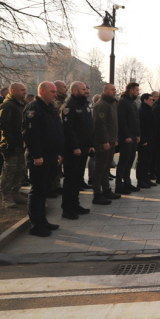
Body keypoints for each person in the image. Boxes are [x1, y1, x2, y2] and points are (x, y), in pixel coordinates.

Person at [22, 82, 63, 237]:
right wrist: (36, 155)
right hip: (40, 157)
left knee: (45, 190)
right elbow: (30, 134)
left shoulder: (50, 108)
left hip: (51, 155)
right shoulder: (33, 108)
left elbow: (56, 131)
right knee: (38, 191)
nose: (55, 94)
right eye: (52, 91)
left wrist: (59, 152)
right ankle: (36, 225)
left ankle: (42, 220)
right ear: (42, 91)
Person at [60, 82, 94, 219]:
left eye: (86, 88)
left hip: (84, 148)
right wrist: (75, 146)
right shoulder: (69, 106)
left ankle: (75, 204)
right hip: (73, 150)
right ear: (75, 91)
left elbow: (88, 126)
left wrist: (90, 144)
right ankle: (67, 208)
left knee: (78, 179)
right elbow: (68, 129)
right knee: (70, 179)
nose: (86, 91)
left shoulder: (84, 105)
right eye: (83, 89)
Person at [0, 83, 28, 208]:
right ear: (13, 91)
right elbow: (3, 124)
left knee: (20, 170)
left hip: (22, 143)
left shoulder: (23, 104)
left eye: (25, 90)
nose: (24, 92)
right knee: (9, 170)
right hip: (11, 144)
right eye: (22, 90)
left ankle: (16, 193)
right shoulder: (8, 104)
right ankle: (6, 196)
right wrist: (10, 142)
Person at [91, 84, 121, 205]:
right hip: (104, 142)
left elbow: (112, 124)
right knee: (100, 168)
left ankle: (106, 190)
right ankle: (97, 194)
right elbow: (100, 125)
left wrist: (114, 139)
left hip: (111, 140)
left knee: (106, 167)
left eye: (115, 89)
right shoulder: (102, 105)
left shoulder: (111, 104)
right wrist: (104, 141)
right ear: (105, 91)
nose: (114, 91)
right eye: (112, 90)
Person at [116, 82, 141, 194]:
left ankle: (127, 183)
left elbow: (136, 120)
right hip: (127, 137)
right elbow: (122, 121)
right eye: (137, 90)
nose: (138, 92)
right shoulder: (122, 102)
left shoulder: (132, 103)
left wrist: (138, 134)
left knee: (130, 160)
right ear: (131, 90)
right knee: (123, 161)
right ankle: (119, 185)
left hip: (134, 136)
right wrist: (126, 136)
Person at [50, 80, 68, 196]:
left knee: (58, 164)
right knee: (53, 164)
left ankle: (56, 186)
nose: (66, 89)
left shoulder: (63, 101)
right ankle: (50, 188)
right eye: (64, 87)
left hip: (61, 136)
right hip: (53, 137)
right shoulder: (53, 102)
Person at [137, 93, 156, 188]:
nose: (152, 101)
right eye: (150, 99)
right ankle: (141, 180)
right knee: (142, 161)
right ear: (144, 100)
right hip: (145, 141)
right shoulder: (141, 111)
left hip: (150, 139)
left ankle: (146, 178)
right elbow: (141, 127)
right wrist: (143, 139)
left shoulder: (149, 110)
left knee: (148, 161)